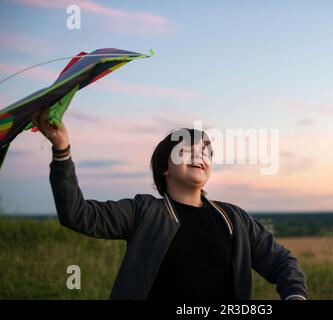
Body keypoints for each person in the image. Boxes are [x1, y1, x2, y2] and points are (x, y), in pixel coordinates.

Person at [31, 107, 309, 300]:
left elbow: (282, 262)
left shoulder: (234, 218)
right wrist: (61, 148)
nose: (199, 155)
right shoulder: (144, 212)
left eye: (205, 152)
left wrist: (295, 294)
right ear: (165, 168)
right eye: (186, 149)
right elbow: (77, 215)